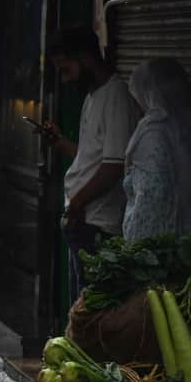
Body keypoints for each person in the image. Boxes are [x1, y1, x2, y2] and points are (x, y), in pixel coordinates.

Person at [42, 28, 139, 304]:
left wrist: (76, 204)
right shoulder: (92, 97)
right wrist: (60, 143)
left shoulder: (116, 96)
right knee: (79, 304)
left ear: (85, 58)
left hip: (96, 223)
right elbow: (92, 157)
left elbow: (113, 167)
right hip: (82, 220)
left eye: (67, 69)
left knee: (89, 306)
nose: (65, 78)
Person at [123, 58, 191, 242]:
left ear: (148, 94)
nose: (135, 105)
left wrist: (136, 249)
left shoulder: (152, 133)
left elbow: (151, 200)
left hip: (161, 249)